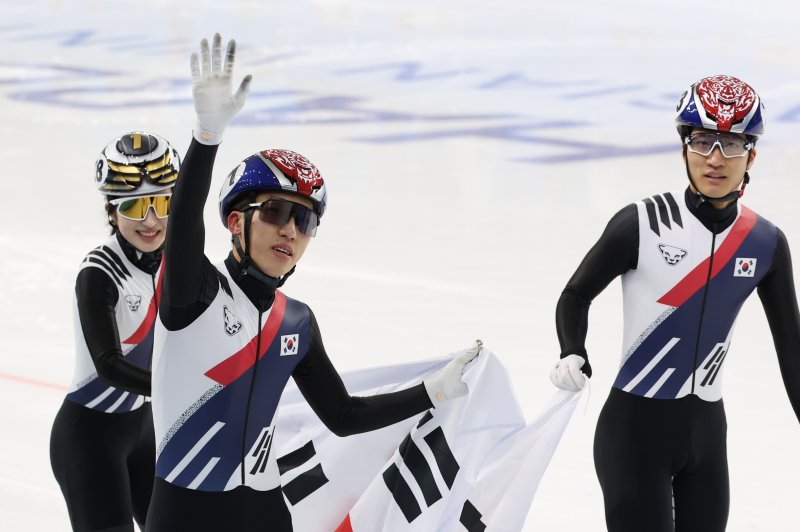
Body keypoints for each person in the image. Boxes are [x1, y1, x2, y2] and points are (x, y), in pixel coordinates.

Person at [146, 34, 480, 532]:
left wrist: (432, 391)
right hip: (185, 513)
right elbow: (183, 223)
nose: (290, 231)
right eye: (276, 212)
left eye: (304, 221)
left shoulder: (296, 321)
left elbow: (342, 416)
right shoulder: (194, 294)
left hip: (265, 512)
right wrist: (206, 137)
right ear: (236, 222)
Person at [550, 74, 800, 532]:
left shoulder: (765, 243)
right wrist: (573, 349)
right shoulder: (642, 223)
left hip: (708, 437)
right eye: (702, 141)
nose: (715, 159)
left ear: (752, 155)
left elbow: (794, 351)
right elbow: (575, 295)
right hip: (634, 434)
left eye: (731, 144)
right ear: (684, 148)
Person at [50, 132, 181, 531]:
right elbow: (108, 365)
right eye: (136, 207)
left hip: (144, 431)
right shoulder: (99, 272)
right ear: (111, 209)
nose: (151, 221)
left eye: (161, 203)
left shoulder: (174, 262)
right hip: (89, 438)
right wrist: (177, 387)